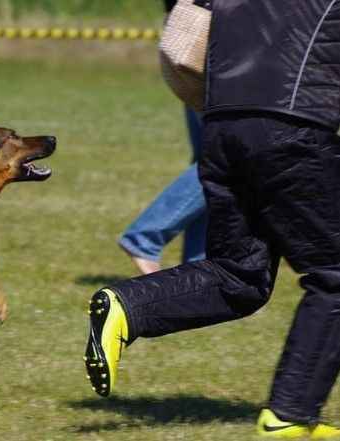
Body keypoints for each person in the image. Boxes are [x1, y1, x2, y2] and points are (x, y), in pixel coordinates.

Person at [84, 0, 340, 438]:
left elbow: (178, 40)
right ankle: (290, 415)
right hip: (293, 125)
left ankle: (128, 307)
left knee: (238, 274)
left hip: (222, 126)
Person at [118, 108, 206, 274]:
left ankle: (196, 270)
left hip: (209, 84)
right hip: (233, 87)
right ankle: (145, 238)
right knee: (224, 160)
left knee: (212, 157)